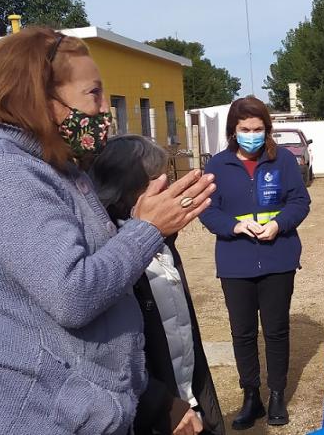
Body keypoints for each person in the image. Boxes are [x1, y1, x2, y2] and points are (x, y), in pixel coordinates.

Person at [0, 27, 215, 434]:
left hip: (83, 414)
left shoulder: (57, 167)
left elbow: (101, 311)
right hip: (38, 420)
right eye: (94, 94)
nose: (105, 109)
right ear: (37, 96)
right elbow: (73, 293)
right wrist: (146, 229)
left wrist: (154, 402)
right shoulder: (2, 174)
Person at [89, 135, 225, 435]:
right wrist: (160, 405)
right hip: (154, 414)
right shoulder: (107, 255)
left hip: (189, 390)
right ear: (128, 187)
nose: (168, 186)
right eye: (157, 179)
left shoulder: (162, 241)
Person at [198, 96, 311, 430]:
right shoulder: (217, 165)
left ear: (267, 128)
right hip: (236, 261)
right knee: (242, 332)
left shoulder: (284, 161)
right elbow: (207, 208)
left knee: (276, 331)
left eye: (258, 128)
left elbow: (300, 201)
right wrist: (234, 226)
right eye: (245, 128)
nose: (252, 134)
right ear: (234, 130)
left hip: (279, 258)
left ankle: (277, 394)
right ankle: (252, 397)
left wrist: (279, 224)